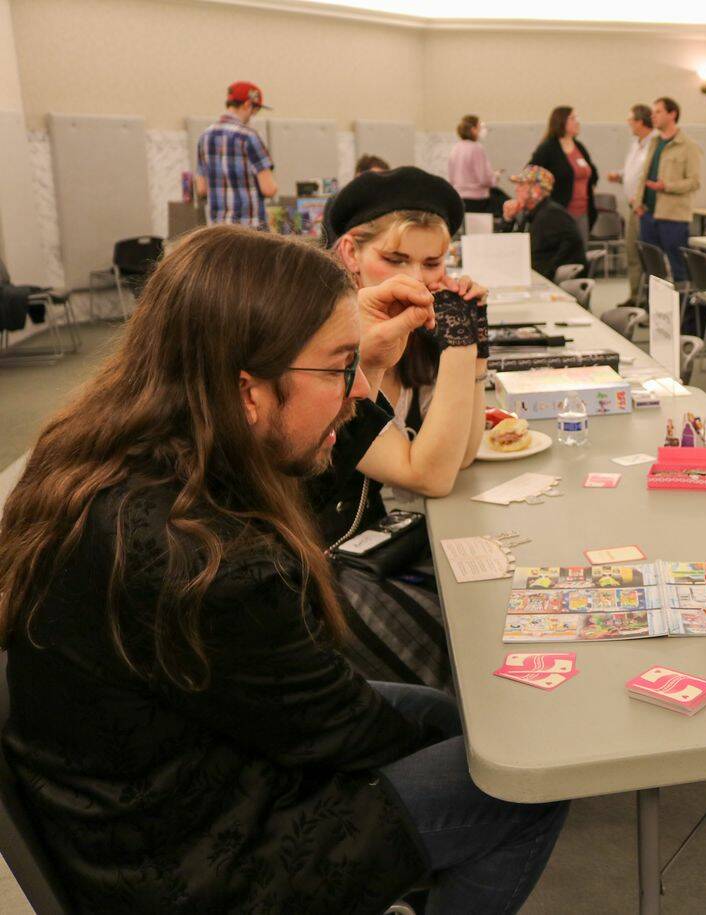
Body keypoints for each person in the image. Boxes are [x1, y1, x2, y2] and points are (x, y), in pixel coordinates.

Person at [0, 225, 567, 913]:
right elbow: (340, 728)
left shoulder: (124, 449)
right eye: (337, 367)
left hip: (144, 791)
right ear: (248, 389)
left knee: (447, 719)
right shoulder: (204, 562)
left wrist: (363, 360)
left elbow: (300, 480)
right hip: (193, 864)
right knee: (522, 778)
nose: (358, 387)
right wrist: (487, 741)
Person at [324, 166, 489, 689]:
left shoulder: (409, 339)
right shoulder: (330, 347)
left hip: (384, 546)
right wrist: (461, 342)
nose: (416, 279)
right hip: (327, 569)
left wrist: (473, 356)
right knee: (474, 654)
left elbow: (463, 452)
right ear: (350, 254)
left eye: (432, 263)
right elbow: (431, 474)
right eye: (394, 260)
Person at [635, 96, 703, 282]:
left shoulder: (688, 146)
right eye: (652, 112)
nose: (653, 116)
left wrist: (667, 186)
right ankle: (654, 308)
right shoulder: (654, 143)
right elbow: (645, 175)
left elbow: (694, 182)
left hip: (673, 217)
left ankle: (683, 308)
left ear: (672, 114)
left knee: (678, 266)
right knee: (652, 268)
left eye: (658, 111)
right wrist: (638, 203)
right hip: (649, 215)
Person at [195, 80, 278, 228]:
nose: (254, 114)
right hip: (249, 229)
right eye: (255, 109)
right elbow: (269, 189)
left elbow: (201, 188)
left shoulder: (205, 136)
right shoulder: (249, 136)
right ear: (247, 104)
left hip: (217, 229)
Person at [605, 104, 655, 307]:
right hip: (632, 205)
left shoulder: (655, 143)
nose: (628, 124)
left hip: (646, 207)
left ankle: (648, 299)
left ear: (640, 121)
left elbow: (651, 175)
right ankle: (636, 295)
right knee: (632, 251)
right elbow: (634, 172)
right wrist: (620, 176)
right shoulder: (636, 143)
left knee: (647, 254)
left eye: (631, 120)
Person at [500, 164, 586, 281]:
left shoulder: (551, 215)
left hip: (549, 286)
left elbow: (537, 257)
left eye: (521, 185)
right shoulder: (533, 214)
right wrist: (508, 219)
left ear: (536, 190)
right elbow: (512, 248)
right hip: (538, 278)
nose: (516, 189)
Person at [529, 106, 599, 242]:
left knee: (580, 255)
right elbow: (531, 173)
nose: (577, 122)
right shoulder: (548, 148)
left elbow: (593, 173)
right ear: (561, 121)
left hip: (583, 212)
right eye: (573, 118)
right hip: (560, 213)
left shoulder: (579, 147)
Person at [448, 114, 500, 215]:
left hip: (460, 197)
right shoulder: (476, 148)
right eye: (480, 128)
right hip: (477, 199)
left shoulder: (456, 148)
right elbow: (483, 179)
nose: (482, 131)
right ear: (473, 129)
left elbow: (452, 177)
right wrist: (495, 177)